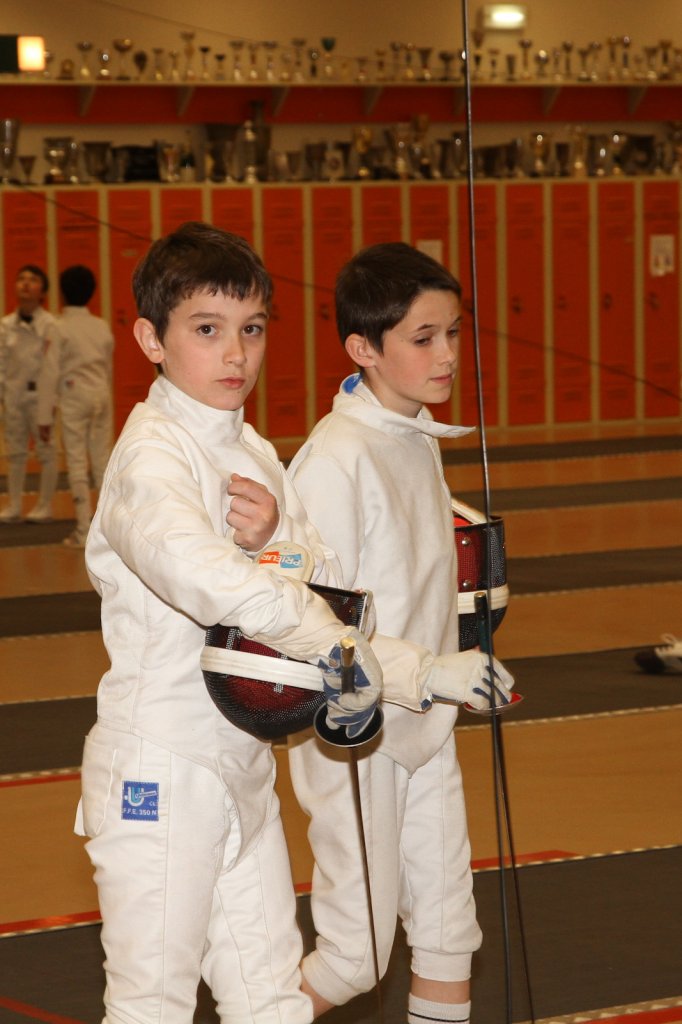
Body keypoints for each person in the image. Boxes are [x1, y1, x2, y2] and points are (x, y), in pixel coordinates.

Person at [76, 221, 384, 1024]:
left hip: (242, 763)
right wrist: (335, 647)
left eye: (250, 330)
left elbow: (322, 573)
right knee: (152, 1007)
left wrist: (278, 536)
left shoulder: (246, 444)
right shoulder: (151, 459)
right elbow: (209, 582)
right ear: (151, 338)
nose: (236, 355)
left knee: (271, 999)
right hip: (160, 764)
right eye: (207, 331)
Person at [287, 242, 515, 1024]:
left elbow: (412, 591)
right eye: (424, 339)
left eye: (453, 333)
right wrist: (430, 673)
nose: (447, 354)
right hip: (357, 736)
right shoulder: (335, 459)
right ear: (364, 348)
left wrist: (465, 662)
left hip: (426, 727)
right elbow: (316, 629)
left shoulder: (412, 437)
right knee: (356, 956)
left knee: (452, 934)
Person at [37, 264, 115, 548]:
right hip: (101, 396)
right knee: (103, 461)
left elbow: (49, 373)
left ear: (61, 292)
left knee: (77, 461)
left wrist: (44, 417)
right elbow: (107, 368)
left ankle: (84, 530)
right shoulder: (101, 325)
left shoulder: (58, 327)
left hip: (74, 397)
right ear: (92, 293)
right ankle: (110, 530)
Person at [0, 264, 59, 523]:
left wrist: (52, 401)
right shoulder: (5, 326)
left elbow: (54, 366)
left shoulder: (50, 325)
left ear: (42, 291)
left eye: (32, 280)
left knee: (46, 450)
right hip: (12, 396)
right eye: (21, 279)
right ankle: (14, 505)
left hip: (39, 397)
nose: (25, 284)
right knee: (15, 453)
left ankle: (44, 505)